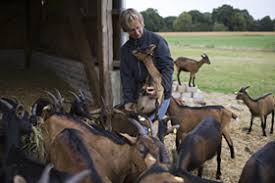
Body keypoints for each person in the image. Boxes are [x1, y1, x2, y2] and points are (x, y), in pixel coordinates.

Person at [119, 8, 174, 121]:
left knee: (154, 132)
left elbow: (168, 68)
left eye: (138, 28)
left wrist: (160, 89)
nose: (137, 32)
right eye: (132, 30)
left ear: (142, 23)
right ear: (126, 30)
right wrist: (128, 100)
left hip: (160, 93)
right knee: (138, 131)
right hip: (138, 96)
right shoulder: (125, 50)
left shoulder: (157, 41)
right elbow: (126, 77)